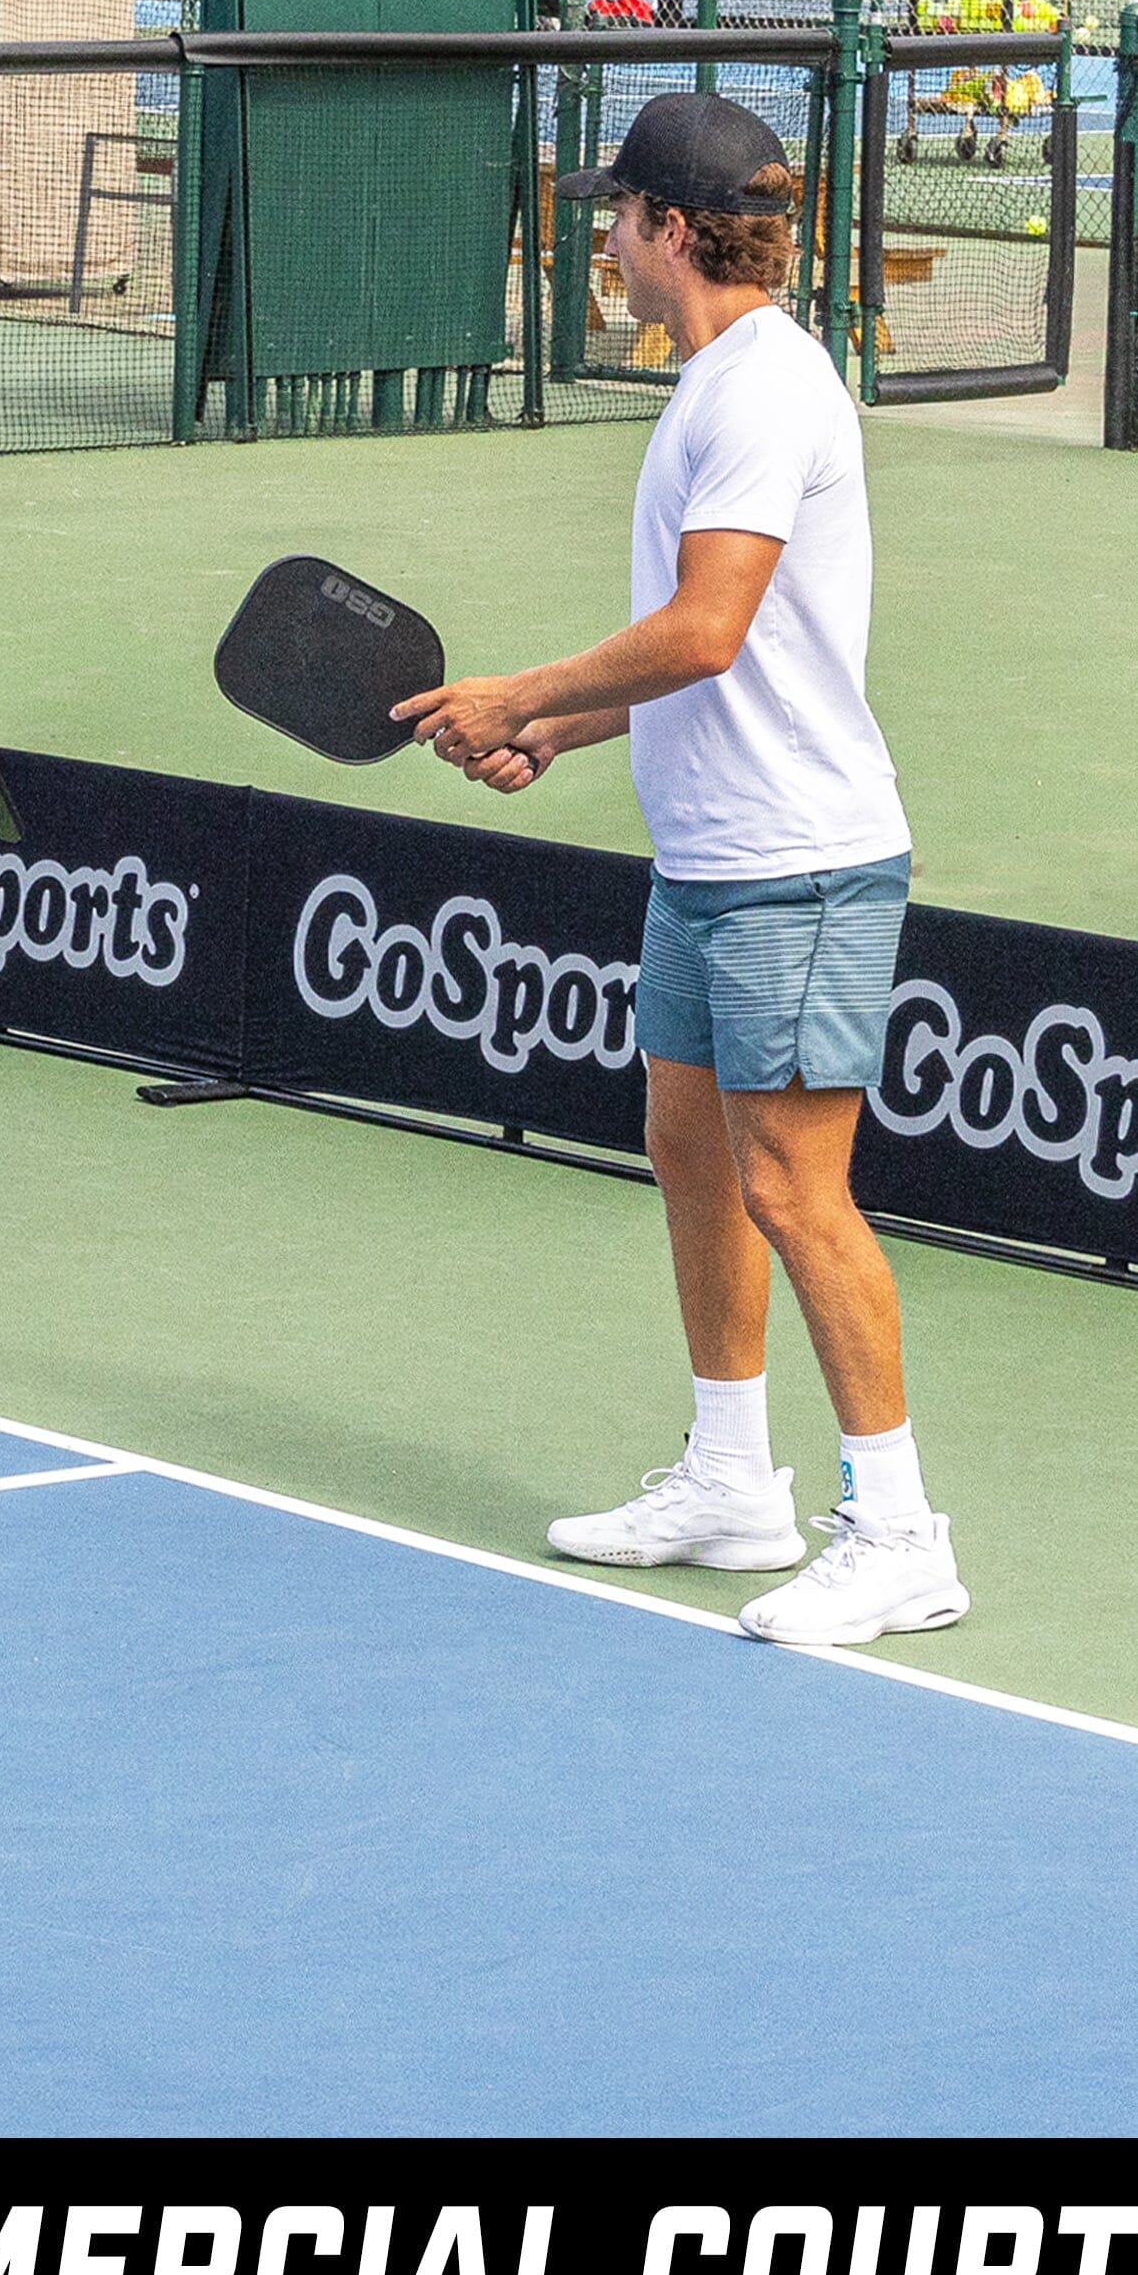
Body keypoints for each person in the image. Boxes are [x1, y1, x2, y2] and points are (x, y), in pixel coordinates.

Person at [392, 91, 966, 1651]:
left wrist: (522, 690)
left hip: (800, 858)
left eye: (614, 217)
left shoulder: (763, 394)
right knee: (692, 1149)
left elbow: (712, 625)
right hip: (709, 850)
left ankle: (901, 1530)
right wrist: (564, 733)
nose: (600, 241)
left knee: (795, 1182)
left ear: (666, 229)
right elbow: (725, 653)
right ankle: (730, 1481)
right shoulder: (715, 382)